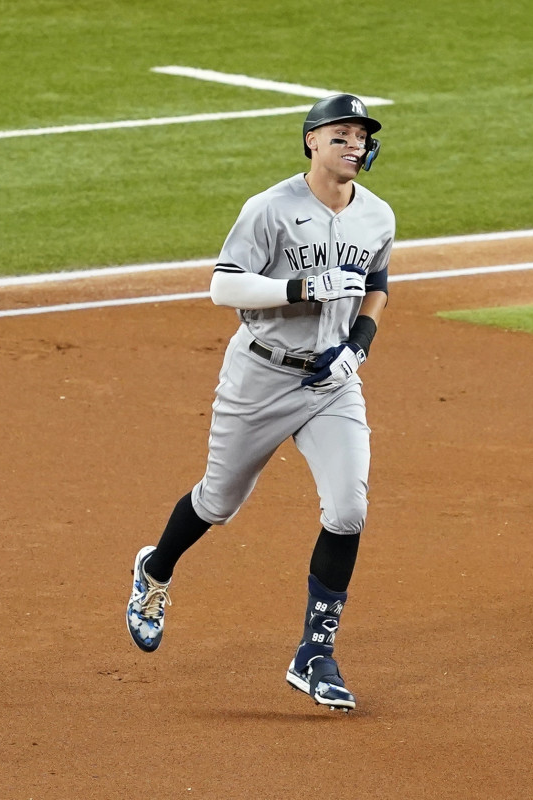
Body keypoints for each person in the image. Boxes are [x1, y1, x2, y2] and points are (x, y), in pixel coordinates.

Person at [125, 94, 394, 712]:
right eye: (341, 134)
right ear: (312, 142)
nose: (354, 144)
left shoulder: (377, 215)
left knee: (348, 509)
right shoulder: (270, 209)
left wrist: (358, 345)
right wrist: (299, 287)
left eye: (361, 136)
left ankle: (314, 653)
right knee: (218, 501)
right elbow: (223, 284)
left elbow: (377, 284)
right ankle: (155, 571)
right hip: (260, 376)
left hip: (331, 382)